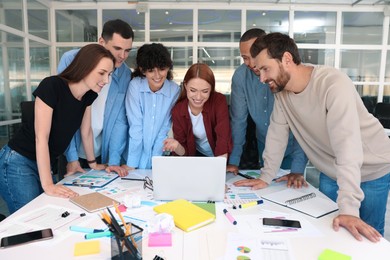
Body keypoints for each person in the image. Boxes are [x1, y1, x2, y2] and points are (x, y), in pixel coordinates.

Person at [235, 32, 390, 242]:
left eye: (265, 69)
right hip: (332, 169)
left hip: (373, 167)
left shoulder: (333, 84)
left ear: (287, 60)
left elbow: (347, 147)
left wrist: (349, 209)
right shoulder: (281, 94)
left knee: (368, 236)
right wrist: (265, 176)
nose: (261, 78)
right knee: (330, 234)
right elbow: (276, 135)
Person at [0, 44, 114, 213]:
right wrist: (48, 185)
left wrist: (93, 163)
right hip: (19, 161)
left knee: (48, 214)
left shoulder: (88, 96)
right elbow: (41, 138)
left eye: (110, 74)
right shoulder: (52, 86)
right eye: (102, 73)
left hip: (45, 163)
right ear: (86, 67)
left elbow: (86, 131)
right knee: (32, 219)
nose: (106, 80)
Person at [227, 28, 307, 186]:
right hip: (265, 145)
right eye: (245, 58)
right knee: (268, 190)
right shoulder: (240, 76)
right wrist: (234, 160)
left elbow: (302, 125)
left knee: (291, 190)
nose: (251, 63)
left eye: (254, 56)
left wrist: (297, 168)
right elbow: (238, 120)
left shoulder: (286, 74)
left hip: (295, 145)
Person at [57, 19, 134, 177]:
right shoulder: (71, 59)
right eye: (117, 48)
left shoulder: (125, 73)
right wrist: (71, 157)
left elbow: (120, 120)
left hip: (100, 152)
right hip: (69, 150)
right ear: (101, 41)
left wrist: (113, 160)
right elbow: (63, 113)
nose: (122, 56)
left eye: (127, 50)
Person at [124, 43, 180, 170]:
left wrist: (155, 161)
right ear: (143, 70)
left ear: (168, 68)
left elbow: (164, 128)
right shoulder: (135, 86)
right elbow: (136, 126)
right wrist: (132, 164)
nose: (157, 75)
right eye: (151, 70)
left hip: (158, 154)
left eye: (161, 69)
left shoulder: (174, 90)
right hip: (131, 155)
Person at [163, 63, 233, 158]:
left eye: (205, 91)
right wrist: (176, 146)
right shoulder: (178, 110)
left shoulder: (219, 101)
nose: (198, 97)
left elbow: (223, 139)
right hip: (198, 157)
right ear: (186, 85)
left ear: (211, 88)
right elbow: (185, 153)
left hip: (222, 157)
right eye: (193, 90)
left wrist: (219, 167)